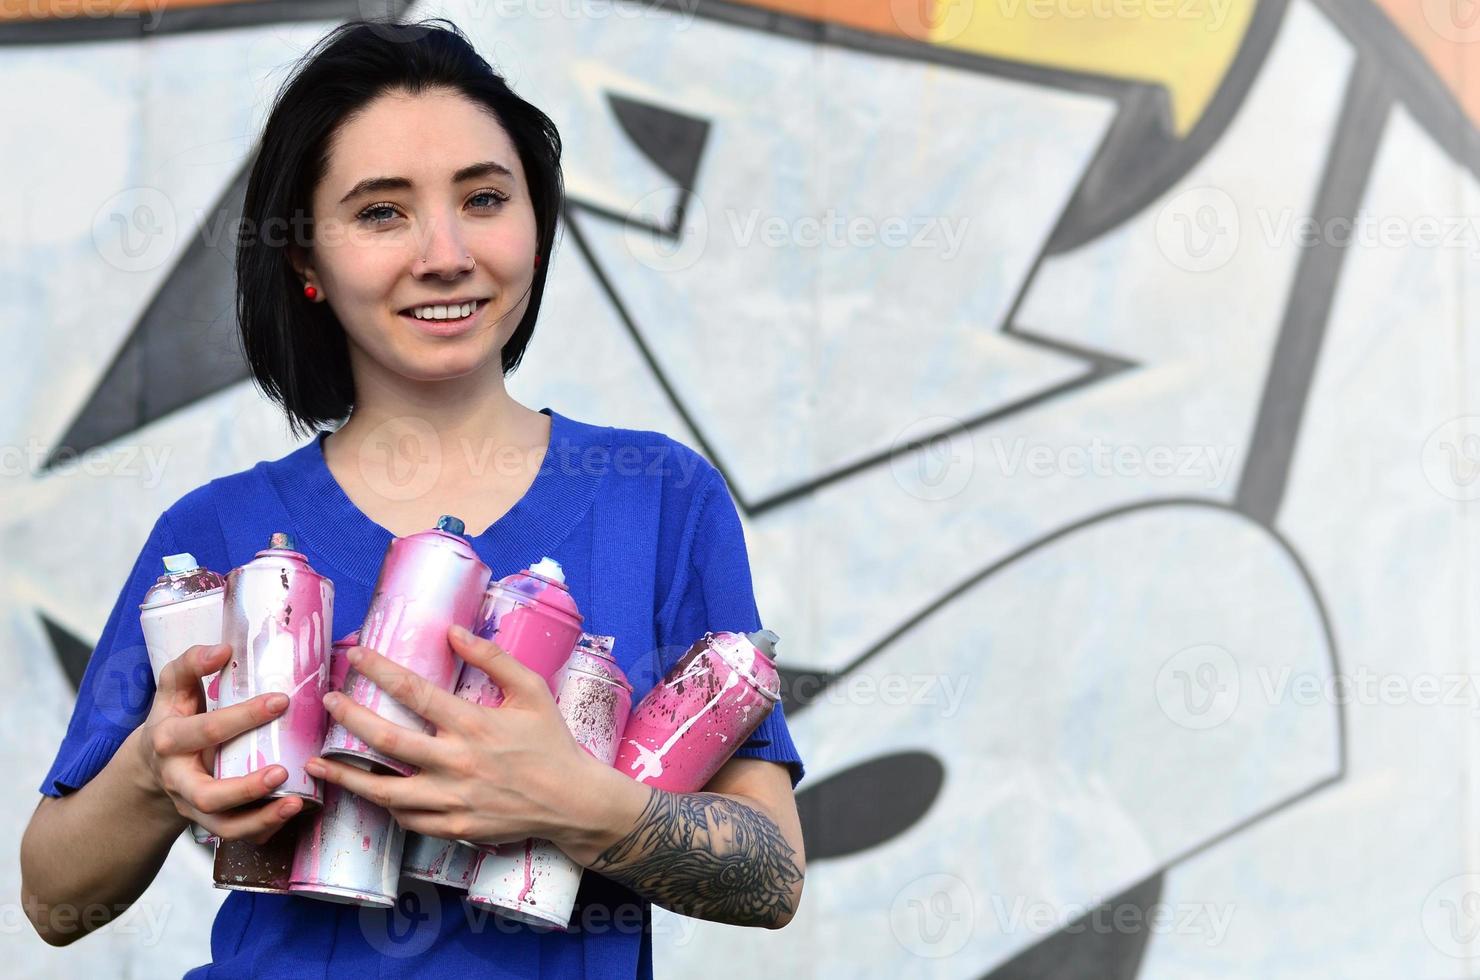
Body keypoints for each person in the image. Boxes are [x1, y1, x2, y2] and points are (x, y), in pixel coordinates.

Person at [19, 18, 806, 978]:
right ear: (305, 260)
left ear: (536, 224)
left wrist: (577, 801)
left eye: (483, 197)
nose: (445, 252)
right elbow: (56, 902)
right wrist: (152, 773)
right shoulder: (212, 533)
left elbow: (773, 879)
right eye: (381, 212)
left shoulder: (660, 497)